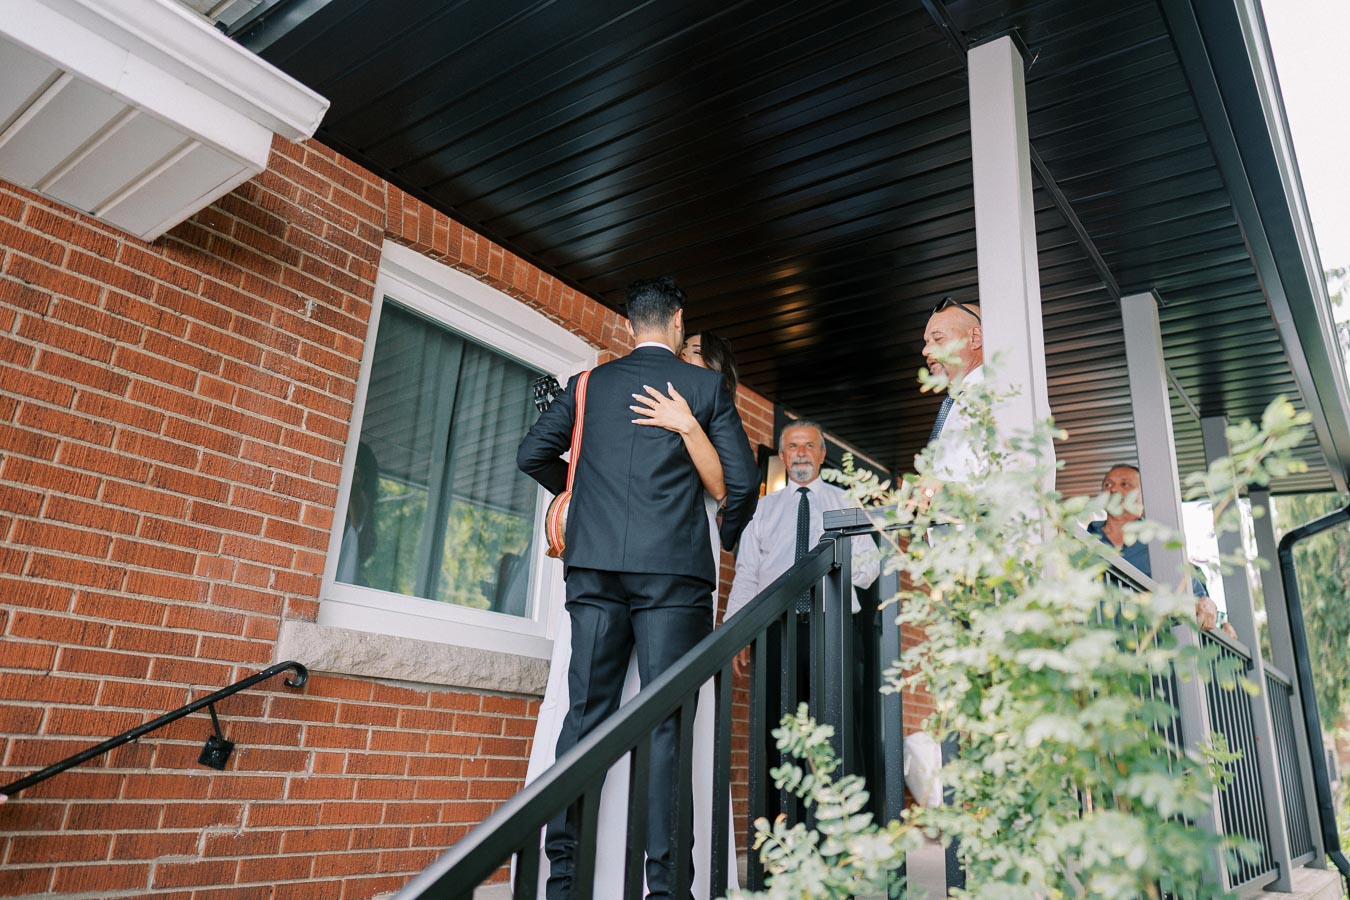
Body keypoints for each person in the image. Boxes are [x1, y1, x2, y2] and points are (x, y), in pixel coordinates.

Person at [517, 276, 759, 900]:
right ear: (678, 322)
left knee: (585, 714)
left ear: (630, 326)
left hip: (594, 571)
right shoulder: (703, 386)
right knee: (665, 722)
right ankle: (665, 885)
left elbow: (533, 454)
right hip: (674, 575)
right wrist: (725, 536)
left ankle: (563, 877)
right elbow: (742, 483)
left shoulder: (589, 382)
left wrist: (583, 501)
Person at [1088, 464, 1230, 634]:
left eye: (1125, 485)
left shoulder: (1162, 546)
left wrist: (1211, 609)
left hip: (1145, 650)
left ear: (1143, 496)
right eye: (1108, 485)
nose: (1113, 489)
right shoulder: (1082, 540)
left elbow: (1197, 600)